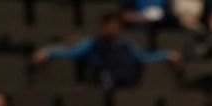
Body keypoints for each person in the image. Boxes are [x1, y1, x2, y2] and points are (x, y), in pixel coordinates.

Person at [33, 11, 184, 89]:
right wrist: (48, 51)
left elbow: (143, 56)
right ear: (103, 26)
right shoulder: (93, 42)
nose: (113, 27)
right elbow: (72, 52)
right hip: (101, 82)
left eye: (116, 24)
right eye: (110, 24)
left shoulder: (126, 43)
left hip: (125, 82)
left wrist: (166, 54)